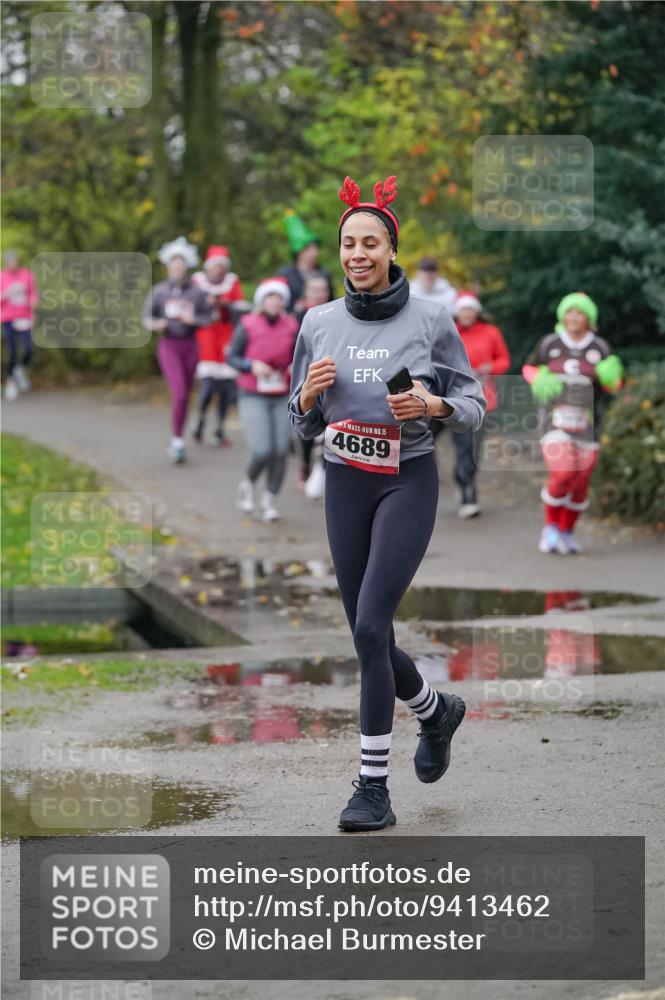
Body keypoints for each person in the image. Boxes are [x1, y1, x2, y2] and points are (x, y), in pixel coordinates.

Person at [288, 174, 486, 832]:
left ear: (391, 250)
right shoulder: (316, 321)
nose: (357, 254)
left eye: (370, 243)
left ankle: (371, 789)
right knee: (366, 633)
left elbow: (474, 405)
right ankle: (436, 712)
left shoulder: (430, 317)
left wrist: (430, 405)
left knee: (372, 628)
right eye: (348, 244)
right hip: (345, 480)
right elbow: (301, 421)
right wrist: (309, 400)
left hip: (408, 478)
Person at [523, 292, 623, 554]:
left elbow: (614, 385)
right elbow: (529, 368)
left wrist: (611, 376)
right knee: (564, 473)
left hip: (589, 424)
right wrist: (539, 380)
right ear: (563, 315)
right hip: (554, 421)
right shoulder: (550, 343)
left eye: (579, 312)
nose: (574, 316)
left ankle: (567, 532)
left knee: (580, 483)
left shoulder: (599, 346)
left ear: (589, 318)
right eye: (570, 311)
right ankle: (550, 528)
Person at [227, 277, 299, 522]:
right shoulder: (248, 324)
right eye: (271, 297)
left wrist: (293, 366)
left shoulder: (291, 325)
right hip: (252, 392)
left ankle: (270, 498)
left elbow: (302, 354)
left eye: (280, 298)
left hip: (282, 392)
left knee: (280, 450)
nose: (275, 302)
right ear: (262, 300)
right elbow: (232, 357)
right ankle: (247, 483)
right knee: (261, 449)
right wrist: (250, 365)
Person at [143, 237, 212, 463]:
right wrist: (156, 324)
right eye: (174, 266)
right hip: (169, 345)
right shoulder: (160, 291)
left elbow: (209, 317)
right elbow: (146, 317)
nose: (177, 269)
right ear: (168, 267)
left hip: (191, 345)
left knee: (186, 395)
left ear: (187, 268)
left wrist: (195, 319)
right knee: (180, 392)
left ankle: (179, 438)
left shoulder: (197, 292)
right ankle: (176, 441)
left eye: (181, 266)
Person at [442, 290, 510, 518]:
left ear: (477, 311)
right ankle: (463, 488)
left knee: (470, 448)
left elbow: (504, 361)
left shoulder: (491, 332)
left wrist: (491, 367)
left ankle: (467, 487)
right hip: (450, 397)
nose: (467, 313)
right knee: (452, 444)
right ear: (457, 312)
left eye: (470, 309)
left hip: (482, 399)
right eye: (463, 309)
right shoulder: (448, 332)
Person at [191, 245, 249, 446]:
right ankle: (199, 420)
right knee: (208, 383)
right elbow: (190, 306)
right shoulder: (197, 282)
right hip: (206, 335)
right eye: (215, 266)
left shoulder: (232, 283)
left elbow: (242, 307)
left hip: (226, 335)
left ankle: (219, 429)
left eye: (221, 266)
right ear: (208, 267)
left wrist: (227, 305)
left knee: (225, 386)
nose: (218, 270)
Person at [294, 272, 331, 496]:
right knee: (308, 420)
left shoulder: (338, 311)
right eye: (314, 290)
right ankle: (306, 465)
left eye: (322, 289)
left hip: (330, 373)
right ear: (306, 292)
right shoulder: (299, 314)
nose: (319, 294)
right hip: (304, 375)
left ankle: (325, 468)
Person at [1, 250, 39, 401]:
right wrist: (6, 294)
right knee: (12, 350)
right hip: (8, 318)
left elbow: (33, 295)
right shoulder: (2, 276)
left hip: (24, 317)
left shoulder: (27, 275)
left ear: (17, 260)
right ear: (6, 262)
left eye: (14, 260)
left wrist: (33, 312)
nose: (12, 263)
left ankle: (20, 370)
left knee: (28, 348)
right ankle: (10, 382)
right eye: (9, 261)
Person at [279, 211, 334, 312]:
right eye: (309, 249)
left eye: (316, 248)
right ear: (299, 252)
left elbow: (332, 302)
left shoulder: (325, 273)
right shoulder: (285, 275)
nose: (315, 253)